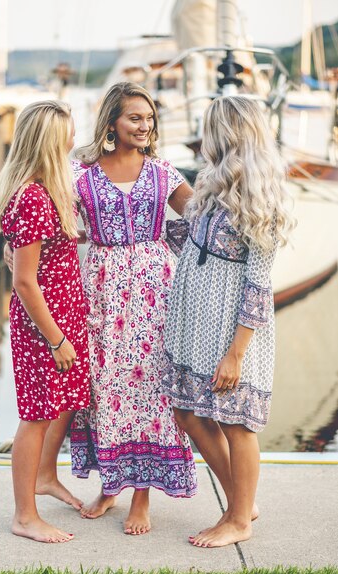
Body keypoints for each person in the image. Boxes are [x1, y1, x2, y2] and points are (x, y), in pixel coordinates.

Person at [163, 95, 295, 548]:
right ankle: (243, 499)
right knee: (187, 412)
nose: (203, 138)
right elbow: (192, 247)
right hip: (194, 327)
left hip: (229, 331)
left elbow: (257, 283)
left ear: (228, 134)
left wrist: (236, 354)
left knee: (237, 424)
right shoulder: (212, 186)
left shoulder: (262, 196)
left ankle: (239, 519)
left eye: (209, 129)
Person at [71, 82, 197, 535]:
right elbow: (61, 228)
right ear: (111, 123)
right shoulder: (81, 175)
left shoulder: (164, 172)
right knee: (105, 386)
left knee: (148, 388)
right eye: (135, 118)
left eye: (149, 118)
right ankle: (112, 481)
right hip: (103, 289)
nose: (145, 126)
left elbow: (200, 221)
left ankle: (141, 493)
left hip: (153, 291)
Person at [0, 100, 90, 543]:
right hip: (43, 325)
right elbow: (25, 283)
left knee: (63, 400)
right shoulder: (32, 197)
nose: (73, 138)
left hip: (63, 313)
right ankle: (24, 515)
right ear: (52, 140)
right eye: (68, 132)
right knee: (35, 416)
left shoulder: (48, 188)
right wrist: (56, 339)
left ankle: (46, 476)